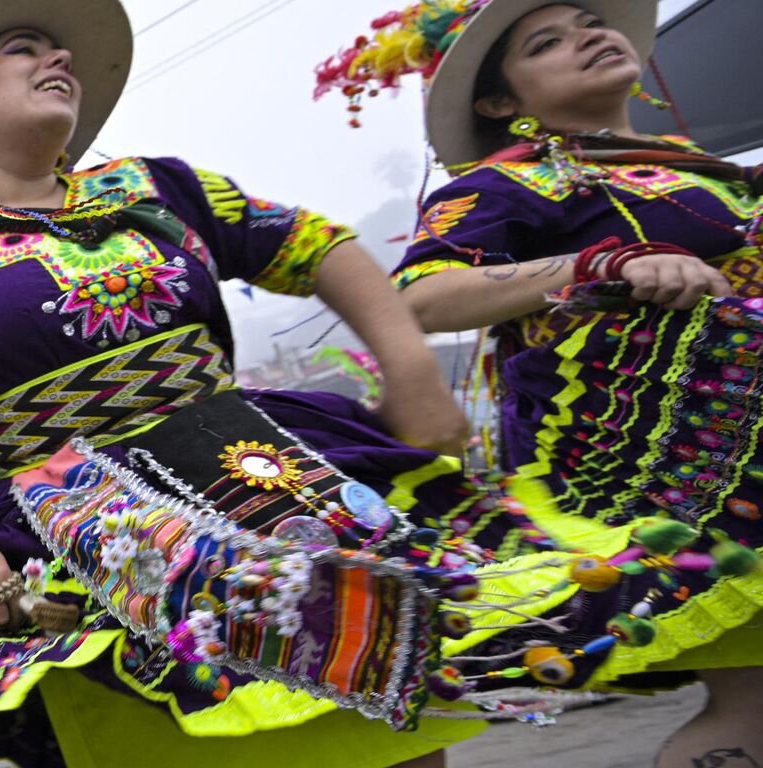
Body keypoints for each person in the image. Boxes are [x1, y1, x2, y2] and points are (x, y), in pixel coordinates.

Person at [0, 1, 569, 766]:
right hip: (77, 528)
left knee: (392, 720)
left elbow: (321, 248)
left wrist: (413, 371)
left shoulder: (159, 188)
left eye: (61, 50)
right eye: (23, 47)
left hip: (269, 473)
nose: (60, 61)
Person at [321, 1, 763, 765]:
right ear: (500, 102)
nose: (588, 35)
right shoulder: (504, 184)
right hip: (667, 462)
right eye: (547, 42)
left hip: (738, 421)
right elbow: (420, 297)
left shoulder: (696, 166)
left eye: (590, 21)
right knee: (753, 698)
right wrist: (600, 265)